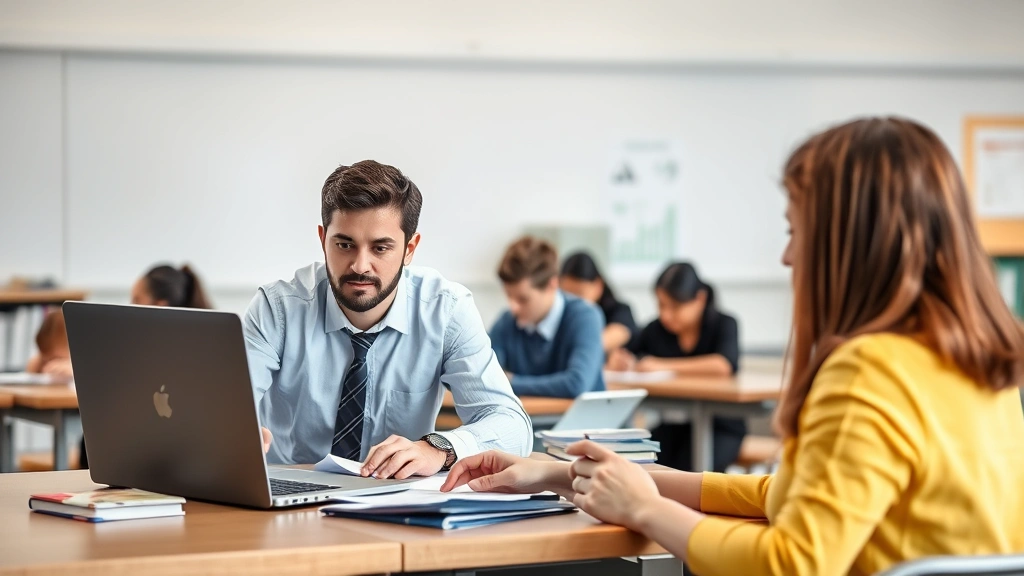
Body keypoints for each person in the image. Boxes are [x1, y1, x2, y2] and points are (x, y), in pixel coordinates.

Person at [441, 117, 1024, 575]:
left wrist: (645, 509)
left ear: (852, 244)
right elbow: (787, 495)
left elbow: (792, 563)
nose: (787, 257)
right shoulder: (975, 367)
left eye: (795, 230)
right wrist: (564, 473)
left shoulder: (872, 371)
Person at [245, 160, 531, 479]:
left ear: (410, 249)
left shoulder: (446, 310)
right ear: (323, 239)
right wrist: (233, 430)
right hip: (290, 493)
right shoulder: (278, 309)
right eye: (344, 244)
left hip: (393, 502)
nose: (360, 265)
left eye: (380, 248)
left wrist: (439, 447)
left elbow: (513, 426)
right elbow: (227, 407)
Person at [608, 261, 745, 472]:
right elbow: (626, 351)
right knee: (638, 461)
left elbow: (723, 364)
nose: (666, 315)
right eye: (661, 305)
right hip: (676, 427)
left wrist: (661, 365)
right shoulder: (657, 329)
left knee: (689, 470)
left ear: (700, 299)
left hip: (721, 426)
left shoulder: (724, 324)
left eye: (675, 307)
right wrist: (621, 360)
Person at [78, 263, 212, 468]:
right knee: (90, 439)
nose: (130, 306)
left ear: (160, 305)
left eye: (136, 300)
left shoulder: (194, 353)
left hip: (178, 454)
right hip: (148, 451)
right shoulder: (139, 348)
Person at [489, 237, 605, 398]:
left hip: (586, 422)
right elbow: (485, 377)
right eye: (509, 296)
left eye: (523, 299)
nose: (513, 308)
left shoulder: (585, 316)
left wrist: (511, 381)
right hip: (532, 421)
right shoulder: (506, 322)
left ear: (552, 285)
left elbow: (576, 383)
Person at [559, 251, 638, 354]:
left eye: (580, 294)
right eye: (567, 295)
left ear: (598, 286)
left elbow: (619, 333)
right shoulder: (559, 313)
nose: (574, 302)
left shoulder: (619, 310)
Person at [25, 309, 73, 378]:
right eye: (46, 359)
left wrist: (72, 372)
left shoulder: (74, 366)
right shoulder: (37, 363)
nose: (51, 364)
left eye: (58, 358)